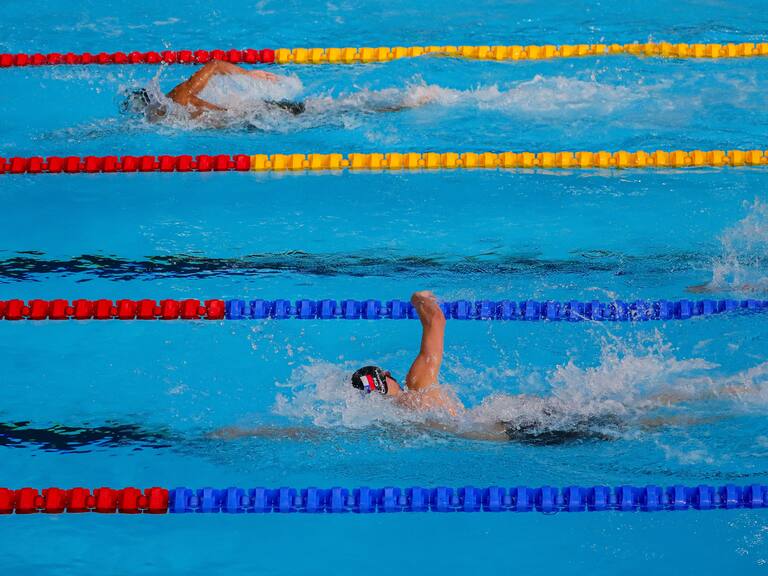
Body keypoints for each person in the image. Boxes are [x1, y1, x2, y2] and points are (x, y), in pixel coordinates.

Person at [120, 60, 306, 121]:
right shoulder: (166, 116)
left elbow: (215, 64)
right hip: (235, 118)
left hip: (247, 114)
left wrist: (248, 74)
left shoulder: (178, 97)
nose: (149, 118)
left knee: (303, 113)